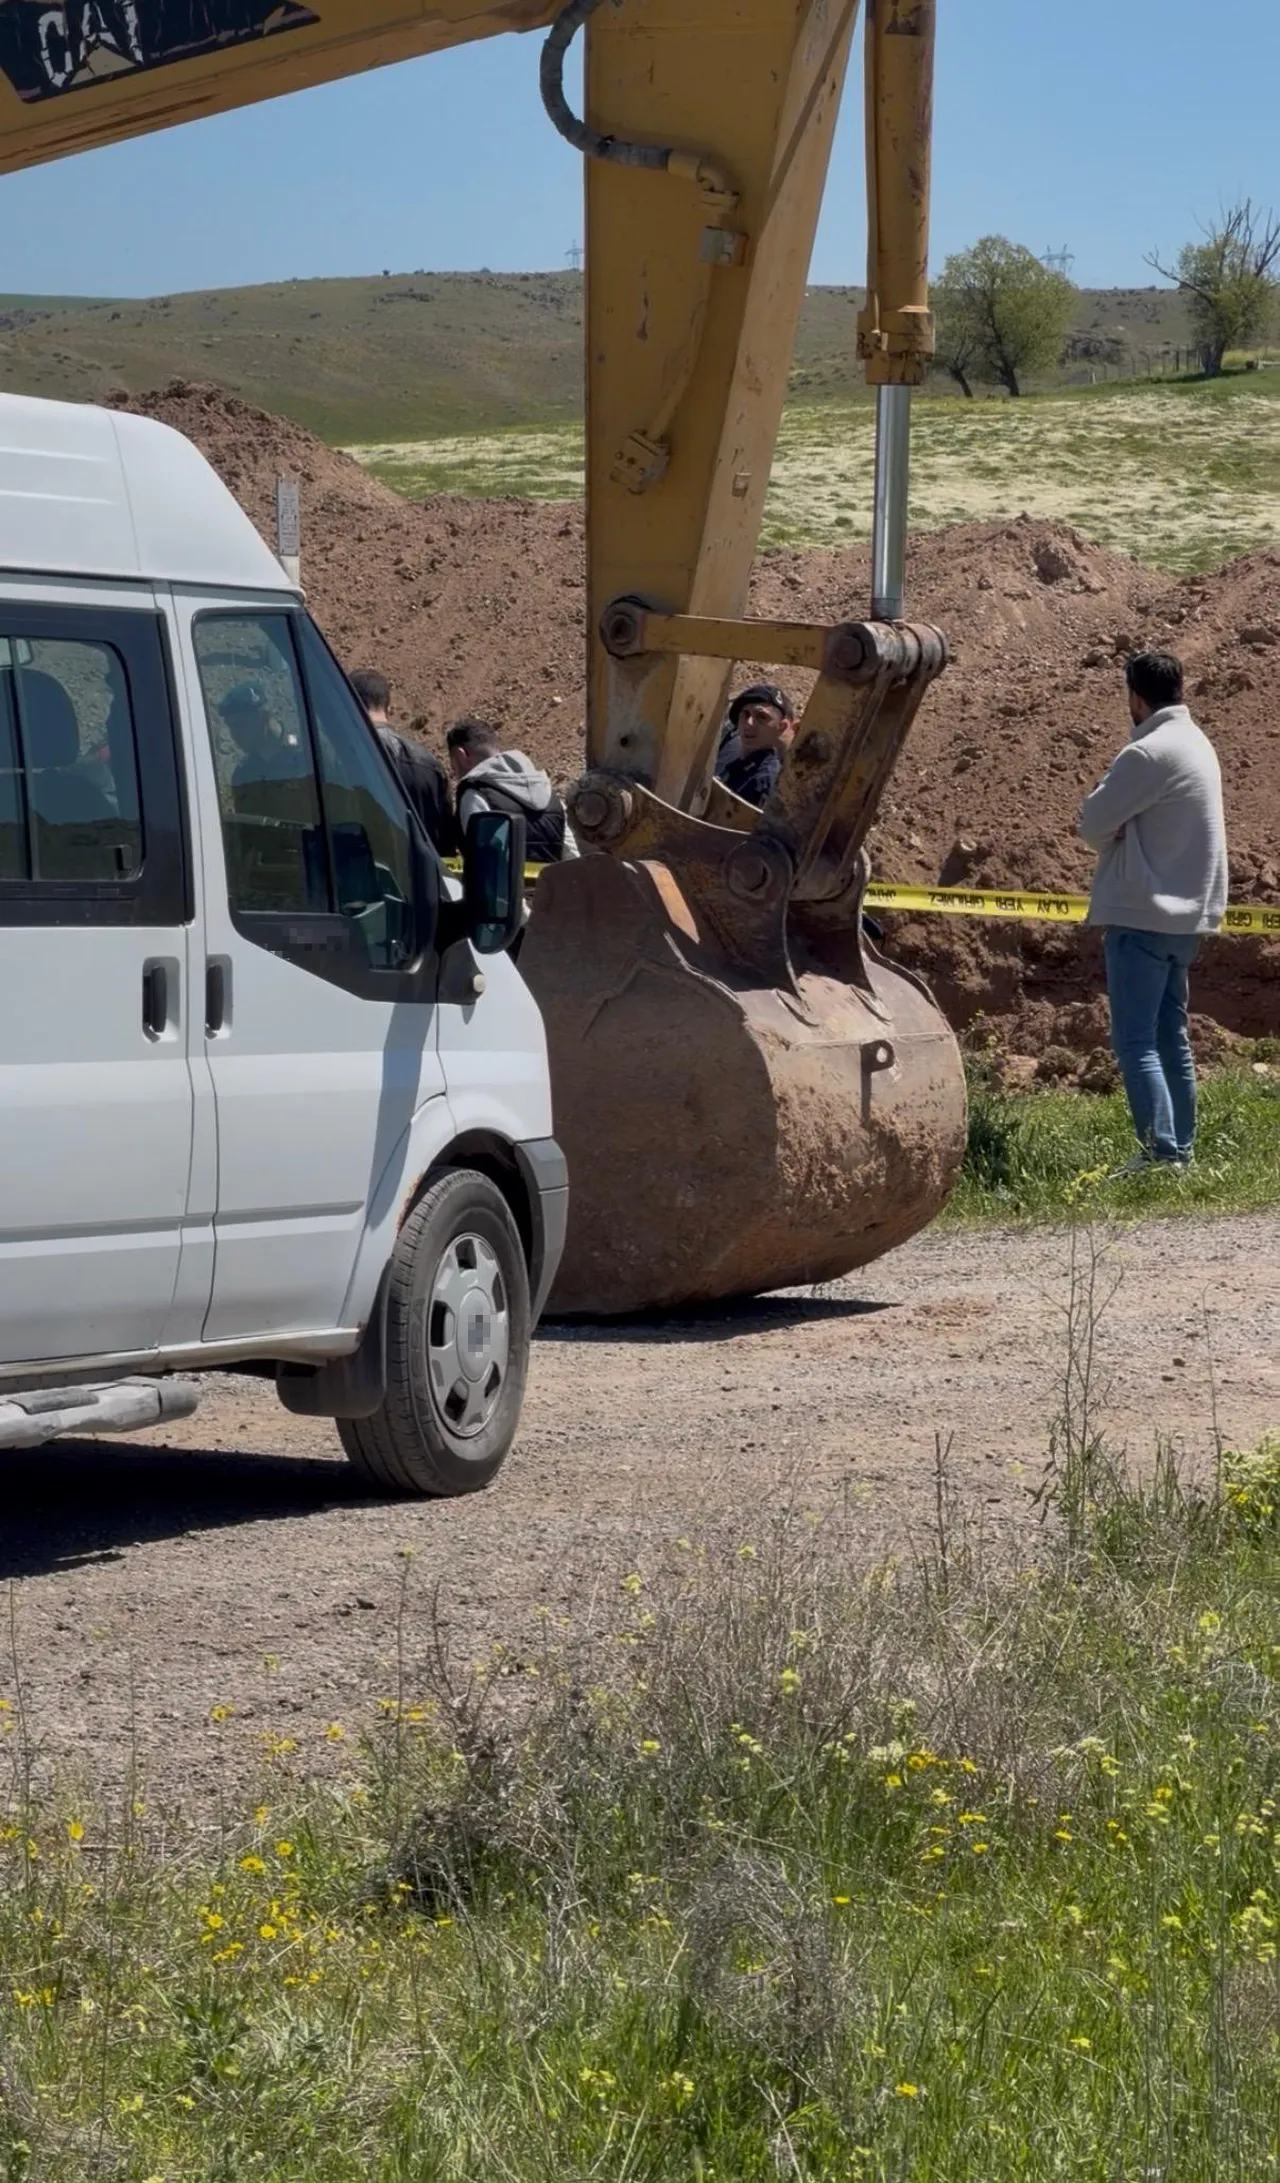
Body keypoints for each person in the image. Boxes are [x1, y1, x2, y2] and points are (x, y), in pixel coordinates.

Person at [1078, 650, 1227, 1174]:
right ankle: (1180, 1150)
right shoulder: (1197, 744)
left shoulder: (1146, 754)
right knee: (1172, 1037)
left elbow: (1092, 822)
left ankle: (1160, 1154)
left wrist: (1117, 826)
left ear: (1135, 697)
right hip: (1186, 918)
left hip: (1143, 915)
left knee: (1136, 1041)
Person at [349, 667, 458, 858]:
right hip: (419, 879)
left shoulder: (341, 755)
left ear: (350, 703)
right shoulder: (428, 763)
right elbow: (445, 839)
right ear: (388, 707)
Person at [445, 716, 578, 864]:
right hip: (552, 887)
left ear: (461, 755)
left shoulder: (475, 794)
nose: (454, 774)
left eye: (453, 765)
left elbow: (487, 864)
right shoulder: (550, 796)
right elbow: (572, 860)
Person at [714, 683, 795, 807]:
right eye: (745, 714)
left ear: (781, 727)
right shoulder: (731, 758)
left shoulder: (764, 781)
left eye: (761, 717)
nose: (749, 723)